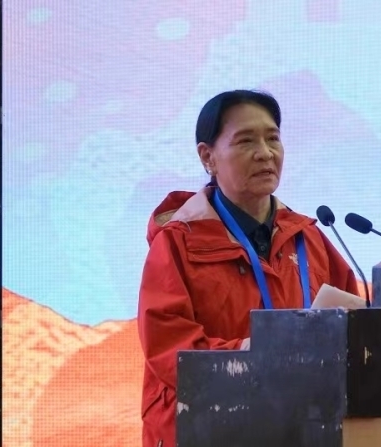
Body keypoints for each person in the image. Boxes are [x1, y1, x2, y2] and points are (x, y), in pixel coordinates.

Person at [137, 89, 361, 447]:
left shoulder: (308, 238)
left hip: (300, 428)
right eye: (245, 141)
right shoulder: (178, 242)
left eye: (273, 138)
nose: (265, 153)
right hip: (206, 428)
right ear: (208, 157)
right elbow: (170, 349)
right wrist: (260, 356)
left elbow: (356, 325)